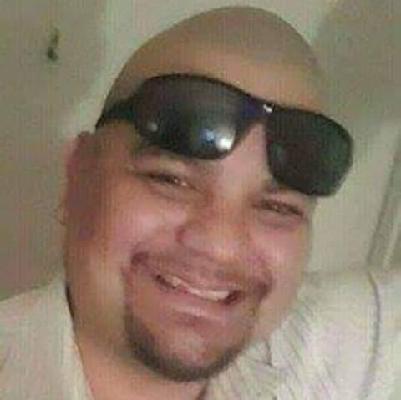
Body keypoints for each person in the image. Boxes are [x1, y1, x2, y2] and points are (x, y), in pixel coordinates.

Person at [0, 6, 399, 400]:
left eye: (277, 208)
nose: (221, 245)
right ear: (78, 176)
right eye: (170, 180)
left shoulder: (339, 355)